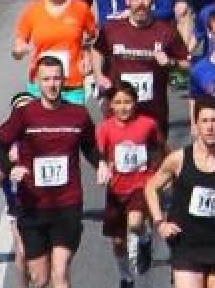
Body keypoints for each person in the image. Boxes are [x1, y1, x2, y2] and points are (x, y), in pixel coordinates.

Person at [0, 55, 101, 288]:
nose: (52, 84)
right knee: (40, 279)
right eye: (46, 79)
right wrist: (11, 168)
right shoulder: (25, 115)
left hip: (68, 203)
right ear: (37, 82)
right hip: (33, 206)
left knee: (60, 273)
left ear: (64, 80)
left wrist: (101, 164)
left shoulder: (78, 115)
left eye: (56, 78)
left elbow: (90, 146)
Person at [144, 97, 215, 288]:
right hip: (187, 245)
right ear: (196, 125)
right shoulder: (178, 159)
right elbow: (151, 188)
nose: (210, 127)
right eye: (205, 121)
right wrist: (160, 222)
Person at [94, 0, 189, 129]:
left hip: (153, 115)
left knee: (156, 153)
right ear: (127, 0)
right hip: (119, 115)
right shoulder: (111, 29)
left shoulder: (166, 31)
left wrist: (171, 62)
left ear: (152, 0)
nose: (140, 4)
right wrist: (98, 75)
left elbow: (187, 63)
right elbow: (97, 49)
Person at [95, 82, 163, 288]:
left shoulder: (148, 124)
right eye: (118, 102)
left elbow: (159, 147)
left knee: (135, 223)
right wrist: (103, 167)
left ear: (135, 103)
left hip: (140, 184)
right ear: (111, 106)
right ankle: (126, 276)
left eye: (127, 102)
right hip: (116, 189)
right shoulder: (104, 128)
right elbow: (99, 155)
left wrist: (159, 174)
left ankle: (144, 239)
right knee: (118, 242)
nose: (123, 107)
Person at [13, 0, 96, 104]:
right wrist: (22, 50)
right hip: (40, 85)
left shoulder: (80, 8)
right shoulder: (32, 11)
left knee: (73, 125)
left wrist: (88, 54)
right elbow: (18, 45)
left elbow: (95, 37)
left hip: (72, 84)